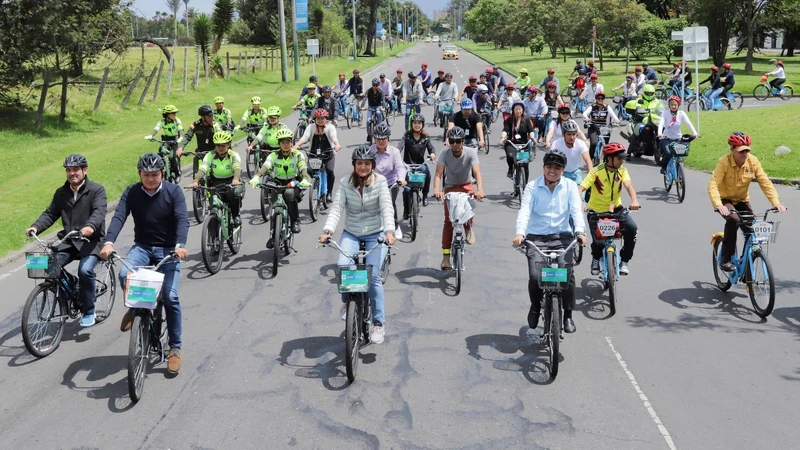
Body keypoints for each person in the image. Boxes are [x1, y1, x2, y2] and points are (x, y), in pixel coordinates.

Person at [100, 153, 189, 374]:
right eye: (146, 175)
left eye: (155, 175)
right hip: (143, 247)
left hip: (169, 249)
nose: (150, 179)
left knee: (171, 296)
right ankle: (136, 309)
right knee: (123, 274)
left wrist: (180, 244)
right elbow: (119, 216)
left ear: (163, 174)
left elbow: (181, 219)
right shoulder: (132, 192)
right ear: (139, 174)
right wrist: (109, 242)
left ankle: (175, 347)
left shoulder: (173, 192)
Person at [318, 145, 396, 345]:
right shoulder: (345, 183)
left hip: (376, 234)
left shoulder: (380, 182)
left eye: (367, 163)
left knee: (374, 278)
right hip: (351, 233)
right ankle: (347, 304)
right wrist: (328, 231)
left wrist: (389, 231)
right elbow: (337, 208)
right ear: (354, 165)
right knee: (343, 267)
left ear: (372, 165)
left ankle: (378, 323)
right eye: (359, 163)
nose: (363, 167)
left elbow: (387, 207)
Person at [26, 154, 107, 328]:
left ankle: (89, 310)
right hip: (69, 241)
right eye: (69, 170)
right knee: (48, 266)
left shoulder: (96, 190)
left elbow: (99, 212)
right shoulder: (61, 193)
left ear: (85, 170)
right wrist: (35, 227)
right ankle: (73, 285)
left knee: (85, 270)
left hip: (91, 241)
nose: (72, 173)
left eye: (76, 169)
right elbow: (50, 213)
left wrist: (90, 227)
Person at [513, 150, 586, 333]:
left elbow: (576, 210)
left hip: (562, 237)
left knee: (567, 274)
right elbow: (525, 211)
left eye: (557, 167)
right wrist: (520, 233)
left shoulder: (570, 186)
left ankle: (568, 314)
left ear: (563, 170)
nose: (552, 171)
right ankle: (535, 306)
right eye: (549, 167)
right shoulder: (532, 186)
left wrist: (580, 231)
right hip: (537, 238)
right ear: (543, 168)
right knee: (536, 276)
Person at [707, 132, 787, 271]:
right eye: (741, 151)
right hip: (725, 199)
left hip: (742, 200)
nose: (744, 155)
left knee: (753, 232)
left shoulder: (753, 161)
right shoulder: (724, 162)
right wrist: (719, 205)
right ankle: (726, 259)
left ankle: (747, 263)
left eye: (747, 150)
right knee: (734, 219)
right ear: (732, 150)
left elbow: (765, 182)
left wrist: (776, 202)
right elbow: (713, 184)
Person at [578, 142, 640, 276]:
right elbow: (581, 188)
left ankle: (624, 261)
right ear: (609, 158)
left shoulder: (622, 170)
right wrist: (580, 203)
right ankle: (596, 257)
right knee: (599, 243)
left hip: (616, 210)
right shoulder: (596, 172)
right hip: (596, 212)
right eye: (619, 158)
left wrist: (634, 200)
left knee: (632, 228)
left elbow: (629, 186)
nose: (622, 161)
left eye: (623, 158)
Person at [433, 127, 486, 270]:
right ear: (448, 142)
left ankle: (468, 227)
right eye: (452, 141)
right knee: (448, 221)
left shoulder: (470, 153)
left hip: (466, 185)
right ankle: (445, 257)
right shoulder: (444, 153)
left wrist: (480, 189)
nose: (455, 144)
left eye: (458, 141)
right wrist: (437, 190)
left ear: (463, 141)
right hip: (450, 187)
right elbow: (438, 174)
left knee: (468, 210)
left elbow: (477, 172)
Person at [249, 128, 311, 243]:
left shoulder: (298, 155)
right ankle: (273, 236)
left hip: (293, 183)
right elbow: (266, 166)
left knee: (289, 194)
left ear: (292, 143)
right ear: (279, 144)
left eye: (288, 142)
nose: (286, 145)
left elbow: (302, 167)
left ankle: (294, 221)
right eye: (283, 143)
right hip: (278, 183)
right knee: (275, 208)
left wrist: (305, 179)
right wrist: (257, 176)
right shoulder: (274, 155)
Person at [187, 131, 245, 226]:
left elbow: (237, 167)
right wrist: (196, 180)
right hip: (216, 182)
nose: (220, 148)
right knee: (214, 206)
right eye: (218, 145)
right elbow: (203, 168)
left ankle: (235, 215)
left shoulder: (233, 155)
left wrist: (236, 178)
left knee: (232, 195)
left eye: (223, 145)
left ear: (228, 145)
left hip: (231, 182)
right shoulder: (210, 155)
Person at [295, 108, 342, 202]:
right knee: (307, 169)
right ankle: (315, 180)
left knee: (330, 171)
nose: (320, 120)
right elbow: (305, 137)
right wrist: (297, 144)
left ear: (326, 119)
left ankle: (329, 193)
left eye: (322, 118)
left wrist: (337, 144)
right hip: (313, 153)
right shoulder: (311, 127)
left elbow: (333, 137)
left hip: (328, 154)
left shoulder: (330, 127)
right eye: (318, 118)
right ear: (315, 119)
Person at [371, 123, 407, 239]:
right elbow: (365, 167)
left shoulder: (394, 151)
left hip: (391, 183)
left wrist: (401, 179)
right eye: (378, 139)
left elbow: (400, 167)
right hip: (374, 183)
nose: (381, 141)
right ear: (374, 139)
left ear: (388, 139)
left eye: (383, 139)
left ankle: (395, 226)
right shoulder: (370, 151)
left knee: (390, 204)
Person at [399, 114, 436, 211]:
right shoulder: (406, 136)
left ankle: (424, 196)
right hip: (407, 166)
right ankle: (406, 210)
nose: (417, 125)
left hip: (420, 165)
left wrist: (432, 154)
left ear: (422, 125)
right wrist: (396, 152)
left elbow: (431, 148)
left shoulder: (425, 137)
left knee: (427, 174)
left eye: (419, 123)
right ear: (411, 124)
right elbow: (400, 146)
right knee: (406, 190)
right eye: (415, 123)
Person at [657, 96, 699, 174]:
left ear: (678, 105)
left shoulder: (681, 113)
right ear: (669, 105)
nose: (673, 106)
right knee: (669, 153)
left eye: (675, 105)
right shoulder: (665, 113)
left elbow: (688, 123)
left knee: (680, 154)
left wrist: (695, 133)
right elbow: (661, 123)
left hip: (678, 138)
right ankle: (664, 167)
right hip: (666, 138)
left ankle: (679, 169)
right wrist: (660, 133)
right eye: (672, 105)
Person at [499, 101, 536, 181]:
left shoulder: (526, 120)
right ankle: (511, 168)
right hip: (512, 143)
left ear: (522, 110)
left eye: (520, 109)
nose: (518, 111)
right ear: (513, 110)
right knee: (510, 156)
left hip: (524, 144)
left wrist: (532, 137)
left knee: (525, 165)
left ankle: (525, 185)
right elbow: (505, 129)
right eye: (516, 109)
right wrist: (502, 137)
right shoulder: (509, 119)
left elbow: (531, 130)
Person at [550, 120, 593, 184]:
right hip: (561, 173)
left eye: (574, 134)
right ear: (563, 134)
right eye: (569, 134)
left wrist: (591, 176)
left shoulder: (580, 144)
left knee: (580, 192)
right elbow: (550, 161)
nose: (572, 137)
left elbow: (588, 160)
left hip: (575, 173)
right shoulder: (556, 144)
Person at [145, 104, 183, 171]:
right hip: (166, 140)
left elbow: (180, 128)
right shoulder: (162, 122)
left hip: (175, 141)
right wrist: (150, 135)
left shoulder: (177, 120)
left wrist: (181, 136)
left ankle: (176, 171)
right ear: (168, 115)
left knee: (171, 157)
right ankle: (162, 169)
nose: (175, 115)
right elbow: (156, 129)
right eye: (173, 113)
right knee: (161, 152)